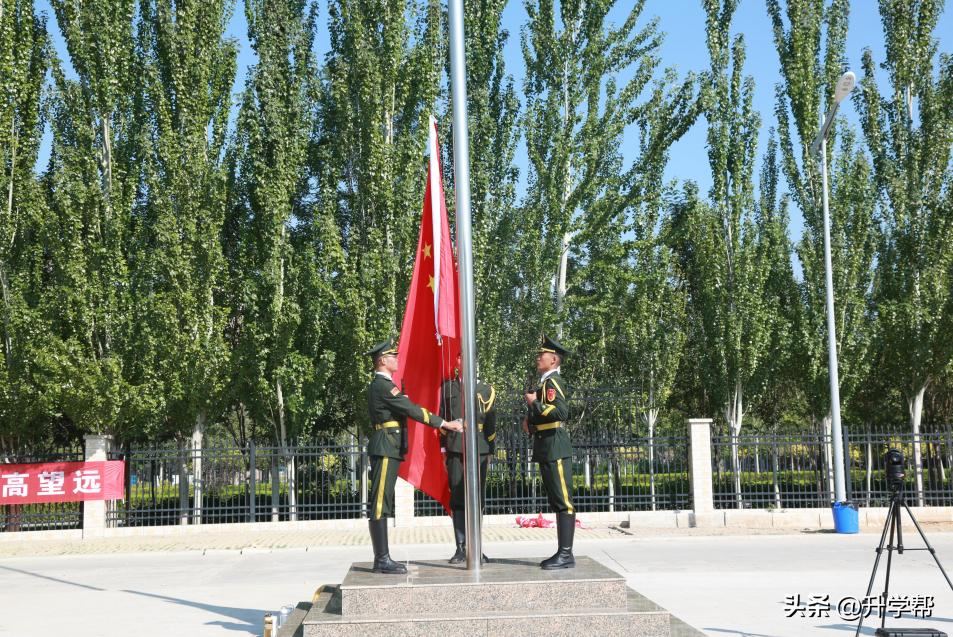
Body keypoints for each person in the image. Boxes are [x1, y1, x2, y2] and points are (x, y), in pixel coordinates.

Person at [365, 339, 462, 574]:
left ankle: (383, 558)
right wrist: (444, 423)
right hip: (385, 446)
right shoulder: (382, 385)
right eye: (392, 356)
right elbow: (412, 410)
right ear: (382, 361)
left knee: (383, 501)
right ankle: (382, 559)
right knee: (380, 502)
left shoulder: (386, 385)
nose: (396, 359)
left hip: (390, 445)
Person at [522, 334, 575, 569]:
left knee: (563, 502)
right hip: (546, 444)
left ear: (553, 360)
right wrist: (531, 424)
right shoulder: (545, 382)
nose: (538, 358)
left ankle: (566, 554)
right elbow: (547, 417)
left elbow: (561, 413)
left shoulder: (552, 382)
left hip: (555, 446)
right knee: (557, 501)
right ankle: (563, 553)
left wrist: (534, 403)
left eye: (542, 355)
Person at [439, 354, 497, 564]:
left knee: (477, 498)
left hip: (479, 447)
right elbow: (442, 418)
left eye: (471, 357)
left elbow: (491, 423)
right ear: (457, 362)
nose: (466, 361)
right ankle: (461, 547)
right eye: (462, 357)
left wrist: (489, 450)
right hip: (455, 446)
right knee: (457, 496)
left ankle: (477, 548)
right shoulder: (448, 388)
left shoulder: (486, 389)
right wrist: (443, 451)